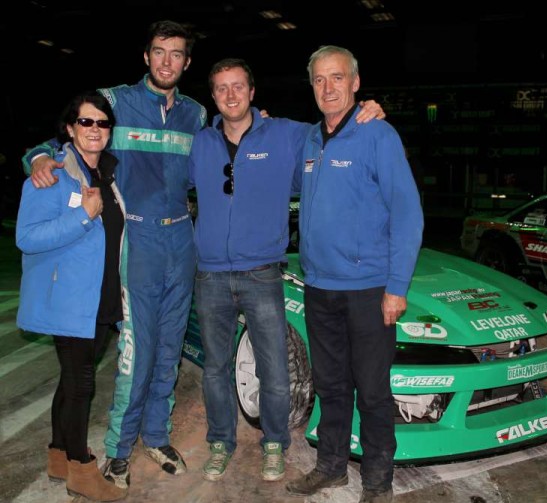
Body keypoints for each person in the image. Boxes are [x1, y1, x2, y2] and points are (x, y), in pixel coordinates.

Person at [21, 20, 208, 490]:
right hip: (136, 243)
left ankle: (157, 435)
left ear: (187, 62)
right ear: (146, 56)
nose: (168, 61)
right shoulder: (117, 101)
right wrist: (38, 158)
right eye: (160, 52)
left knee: (169, 348)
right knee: (136, 351)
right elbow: (68, 132)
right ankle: (118, 450)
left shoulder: (196, 115)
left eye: (177, 54)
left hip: (181, 240)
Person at [188, 58, 385, 483]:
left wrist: (368, 109)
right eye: (221, 88)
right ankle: (221, 442)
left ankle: (274, 443)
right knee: (217, 368)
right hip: (210, 276)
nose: (231, 95)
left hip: (261, 272)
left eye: (238, 86)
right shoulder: (199, 143)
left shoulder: (288, 135)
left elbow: (336, 126)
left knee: (274, 368)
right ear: (213, 97)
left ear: (253, 92)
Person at [285, 46, 424, 503]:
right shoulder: (309, 139)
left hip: (368, 290)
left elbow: (407, 213)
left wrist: (397, 287)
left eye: (337, 78)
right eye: (320, 80)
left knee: (373, 391)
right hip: (320, 287)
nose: (328, 88)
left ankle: (378, 483)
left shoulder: (377, 135)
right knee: (330, 385)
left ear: (356, 83)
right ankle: (331, 467)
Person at [16, 92, 127, 502]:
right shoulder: (51, 175)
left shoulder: (108, 176)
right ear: (69, 128)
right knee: (81, 384)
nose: (94, 130)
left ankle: (59, 456)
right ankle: (82, 468)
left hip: (100, 297)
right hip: (69, 300)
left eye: (102, 123)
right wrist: (83, 216)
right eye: (86, 122)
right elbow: (26, 237)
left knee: (71, 380)